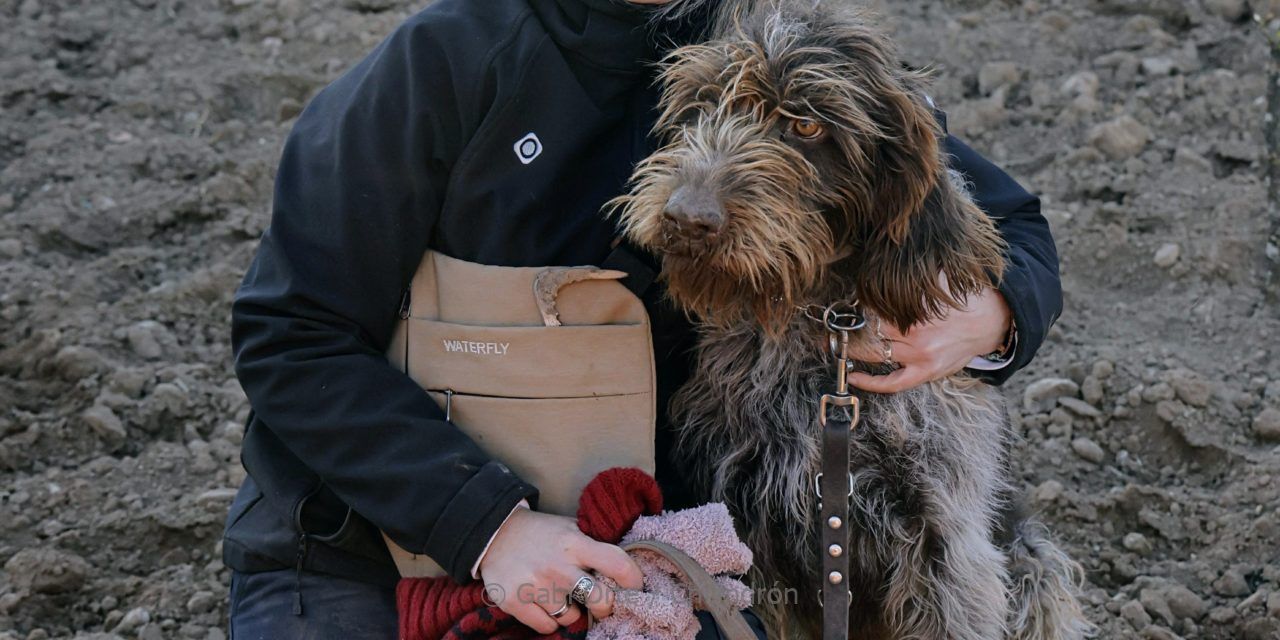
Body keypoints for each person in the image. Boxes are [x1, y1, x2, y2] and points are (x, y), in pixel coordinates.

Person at [222, 0, 1063, 637]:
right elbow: (291, 331)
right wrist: (489, 529)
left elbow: (1000, 220)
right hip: (369, 543)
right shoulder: (447, 57)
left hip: (648, 552)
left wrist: (986, 319)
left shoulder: (765, 39)